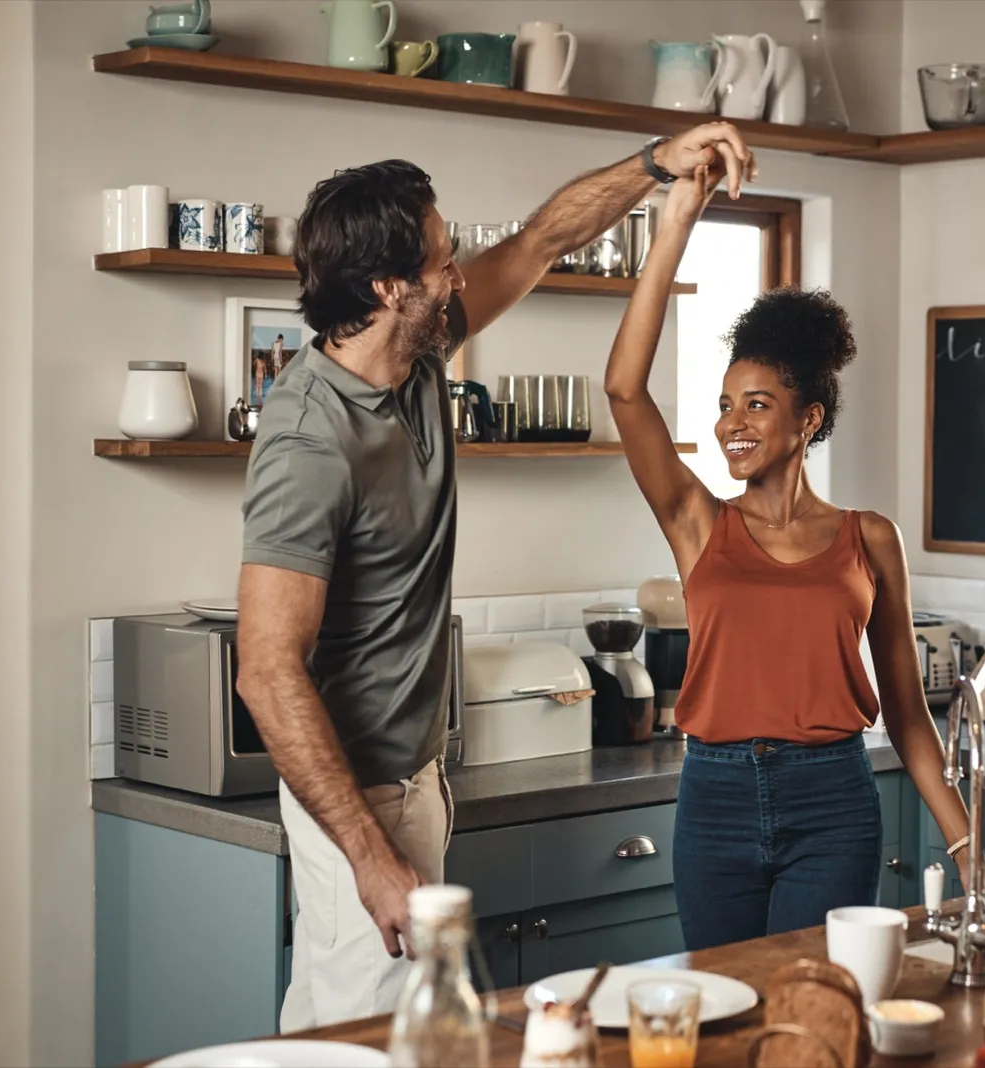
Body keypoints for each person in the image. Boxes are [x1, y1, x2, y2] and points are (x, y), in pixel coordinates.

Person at [235, 125, 757, 1031]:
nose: (461, 273)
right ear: (389, 287)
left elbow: (542, 239)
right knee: (395, 1039)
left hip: (410, 780)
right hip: (360, 797)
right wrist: (369, 854)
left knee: (330, 1031)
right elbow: (267, 668)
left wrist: (652, 166)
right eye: (443, 261)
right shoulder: (309, 439)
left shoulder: (416, 354)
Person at [603, 169, 985, 952]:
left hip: (833, 802)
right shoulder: (697, 523)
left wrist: (967, 848)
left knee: (807, 1013)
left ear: (808, 418)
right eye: (724, 404)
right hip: (712, 797)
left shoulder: (869, 538)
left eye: (757, 404)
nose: (732, 424)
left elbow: (910, 718)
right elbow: (624, 390)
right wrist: (676, 221)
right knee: (722, 1010)